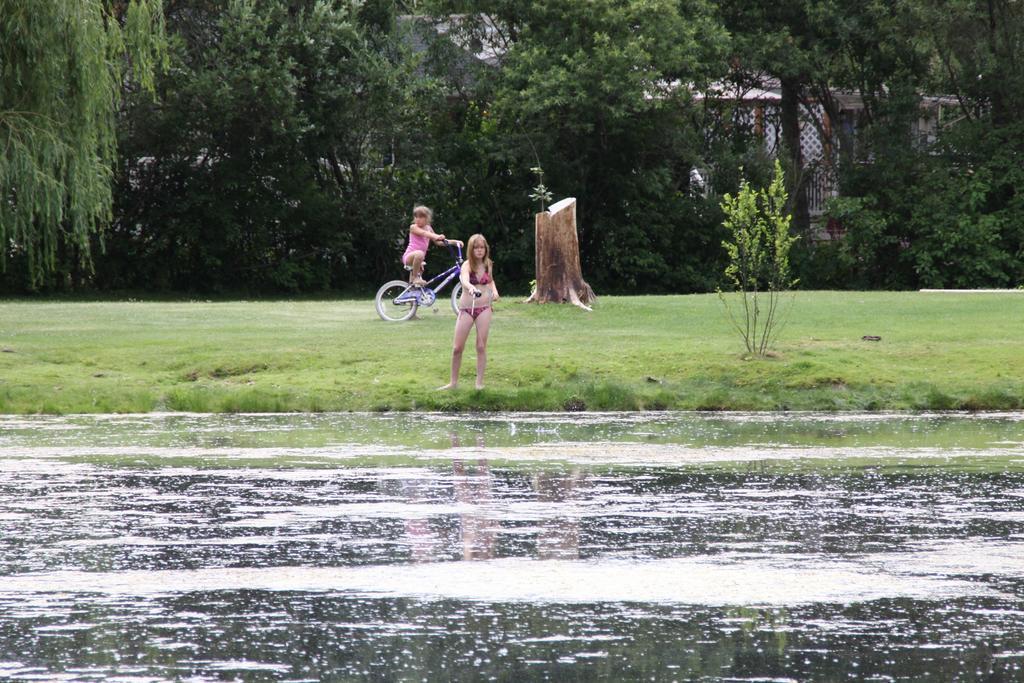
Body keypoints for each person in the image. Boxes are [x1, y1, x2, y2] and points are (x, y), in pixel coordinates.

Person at [439, 233, 498, 391]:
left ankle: (479, 383)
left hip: (485, 308)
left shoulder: (488, 264)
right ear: (471, 250)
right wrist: (471, 288)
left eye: (482, 247)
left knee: (480, 346)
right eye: (476, 247)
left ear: (486, 249)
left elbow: (490, 280)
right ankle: (453, 383)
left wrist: (495, 291)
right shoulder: (467, 265)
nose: (479, 250)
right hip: (466, 308)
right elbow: (464, 279)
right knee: (457, 348)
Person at [402, 206, 455, 286]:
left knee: (416, 287)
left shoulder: (429, 228)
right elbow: (424, 233)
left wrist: (455, 242)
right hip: (409, 257)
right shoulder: (413, 227)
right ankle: (415, 277)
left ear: (426, 218)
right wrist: (437, 236)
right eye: (416, 217)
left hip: (419, 260)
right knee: (420, 254)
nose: (417, 219)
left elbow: (439, 243)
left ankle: (411, 292)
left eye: (420, 217)